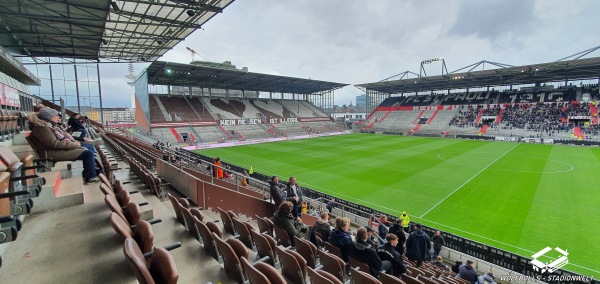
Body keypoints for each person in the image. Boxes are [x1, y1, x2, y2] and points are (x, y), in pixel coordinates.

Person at [28, 108, 99, 183]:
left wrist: (74, 143)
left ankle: (90, 171)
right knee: (87, 154)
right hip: (51, 153)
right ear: (49, 117)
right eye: (56, 115)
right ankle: (91, 176)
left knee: (89, 146)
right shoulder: (43, 128)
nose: (58, 117)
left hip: (55, 150)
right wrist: (73, 145)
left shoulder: (49, 126)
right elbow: (54, 144)